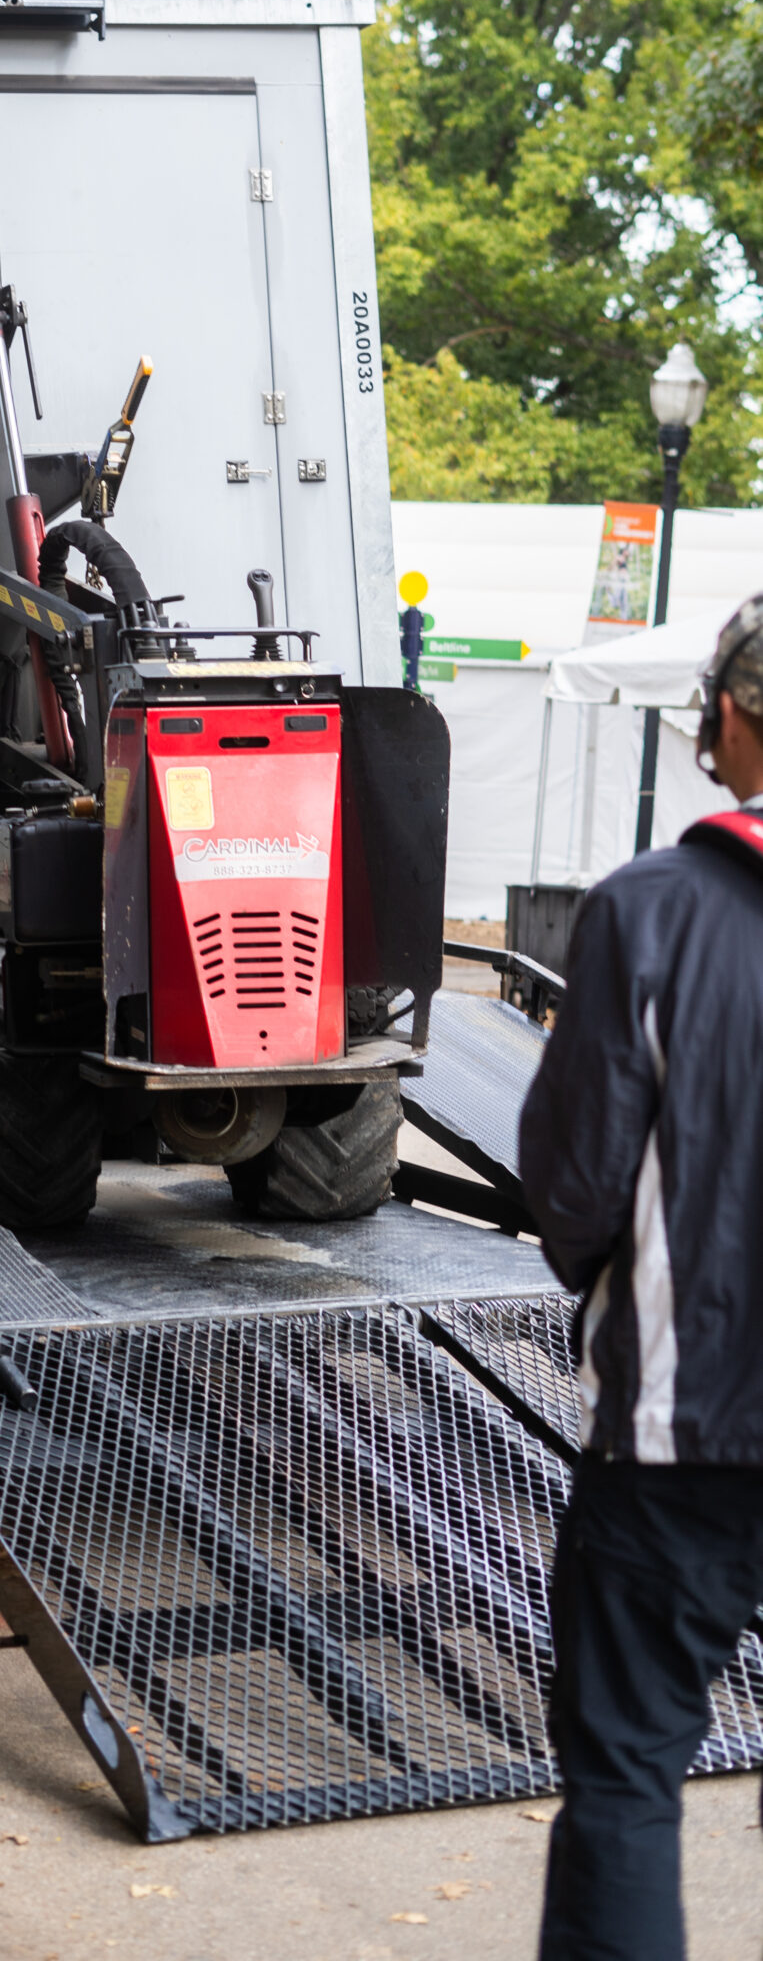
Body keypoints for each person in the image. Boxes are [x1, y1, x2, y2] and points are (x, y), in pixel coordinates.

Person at [520, 594, 763, 1961]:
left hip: (681, 1434)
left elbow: (574, 1185)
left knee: (625, 1773)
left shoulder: (652, 914)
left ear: (726, 712)